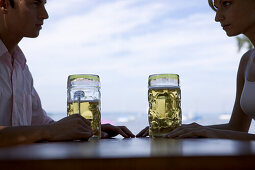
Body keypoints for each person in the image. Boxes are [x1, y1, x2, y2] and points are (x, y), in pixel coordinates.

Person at [0, 0, 134, 147]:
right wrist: (49, 131)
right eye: (35, 3)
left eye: (44, 4)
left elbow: (41, 125)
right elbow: (46, 130)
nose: (45, 15)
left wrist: (87, 129)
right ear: (4, 4)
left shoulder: (21, 69)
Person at [137, 0, 255, 140]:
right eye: (217, 8)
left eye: (226, 3)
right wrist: (179, 130)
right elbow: (236, 128)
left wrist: (212, 133)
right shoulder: (247, 60)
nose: (217, 17)